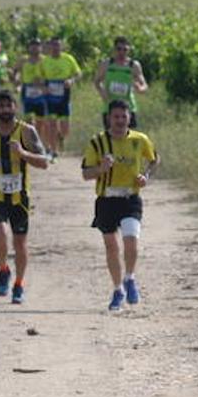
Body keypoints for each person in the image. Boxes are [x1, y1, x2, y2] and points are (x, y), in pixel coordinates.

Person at [0, 91, 49, 304]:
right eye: (1, 106)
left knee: (20, 243)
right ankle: (3, 269)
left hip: (19, 197)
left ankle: (19, 284)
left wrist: (23, 154)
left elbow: (44, 161)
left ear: (15, 107)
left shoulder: (27, 131)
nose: (5, 109)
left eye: (9, 105)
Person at [80, 99, 158, 311]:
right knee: (111, 246)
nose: (120, 121)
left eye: (124, 116)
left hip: (130, 199)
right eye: (116, 117)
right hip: (106, 200)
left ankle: (130, 278)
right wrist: (100, 169)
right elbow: (86, 173)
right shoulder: (97, 143)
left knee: (131, 240)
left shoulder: (140, 140)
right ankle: (117, 289)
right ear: (108, 118)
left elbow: (154, 160)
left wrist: (145, 176)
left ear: (129, 117)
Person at [41, 36, 82, 158]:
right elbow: (38, 77)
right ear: (49, 47)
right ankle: (54, 151)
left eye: (57, 45)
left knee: (65, 128)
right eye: (53, 45)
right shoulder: (45, 61)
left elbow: (78, 73)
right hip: (50, 94)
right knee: (52, 122)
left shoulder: (68, 59)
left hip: (64, 93)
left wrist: (71, 80)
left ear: (61, 46)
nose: (55, 48)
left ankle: (60, 136)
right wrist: (43, 86)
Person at [94, 36, 148, 128]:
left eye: (125, 50)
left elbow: (144, 85)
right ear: (114, 49)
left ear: (129, 50)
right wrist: (102, 92)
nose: (122, 52)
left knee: (130, 138)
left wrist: (140, 88)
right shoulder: (106, 64)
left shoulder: (133, 65)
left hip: (128, 107)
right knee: (111, 139)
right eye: (119, 49)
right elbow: (97, 81)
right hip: (109, 107)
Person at [15, 38, 51, 151]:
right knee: (28, 120)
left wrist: (43, 83)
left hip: (41, 92)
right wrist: (16, 81)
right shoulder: (23, 60)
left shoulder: (45, 60)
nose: (35, 48)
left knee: (41, 121)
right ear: (29, 47)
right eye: (32, 45)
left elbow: (50, 76)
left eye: (37, 45)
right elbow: (14, 71)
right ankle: (29, 144)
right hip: (27, 90)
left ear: (40, 47)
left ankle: (37, 143)